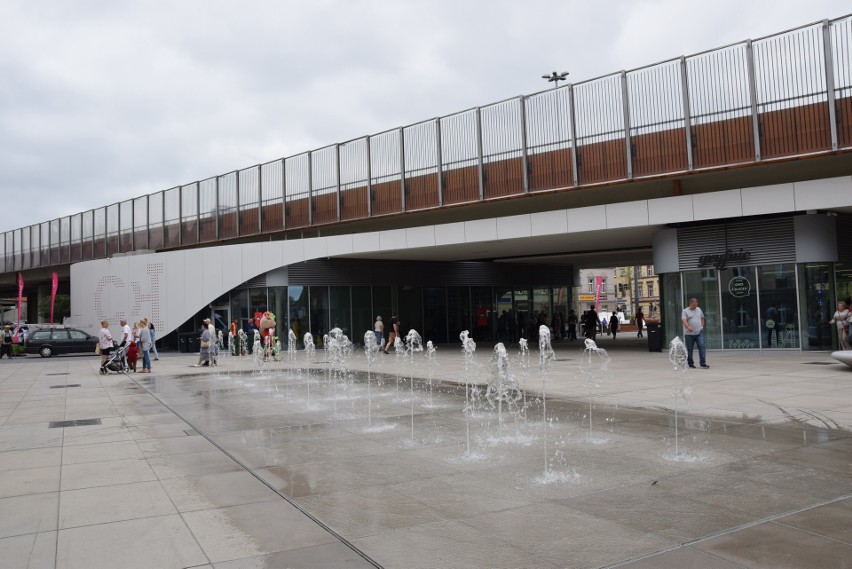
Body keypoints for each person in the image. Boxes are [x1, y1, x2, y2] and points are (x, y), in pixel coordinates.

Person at [682, 297, 709, 368]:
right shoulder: (685, 311)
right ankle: (690, 363)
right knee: (690, 349)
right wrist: (688, 327)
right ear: (690, 304)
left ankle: (703, 363)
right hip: (689, 334)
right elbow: (684, 320)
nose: (695, 306)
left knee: (702, 347)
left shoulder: (699, 309)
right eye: (694, 305)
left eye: (696, 304)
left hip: (699, 332)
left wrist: (702, 326)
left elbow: (702, 318)